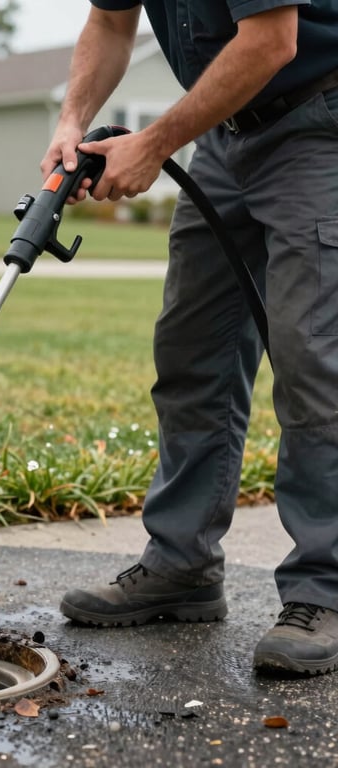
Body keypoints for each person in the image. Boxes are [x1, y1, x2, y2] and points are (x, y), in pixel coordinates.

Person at [42, 0, 338, 676]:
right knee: (190, 351)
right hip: (227, 135)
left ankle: (325, 590)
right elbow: (111, 25)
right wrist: (71, 121)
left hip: (318, 124)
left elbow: (271, 41)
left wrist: (152, 143)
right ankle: (183, 564)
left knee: (313, 360)